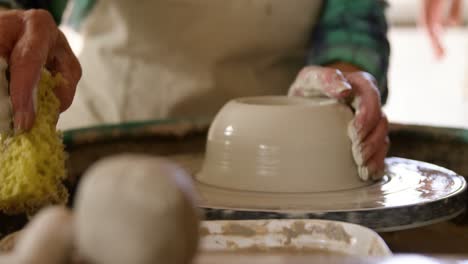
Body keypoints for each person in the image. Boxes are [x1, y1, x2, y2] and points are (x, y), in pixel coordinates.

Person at [0, 0, 390, 179]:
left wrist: (342, 86)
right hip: (104, 151)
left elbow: (352, 27)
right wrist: (11, 25)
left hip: (269, 170)